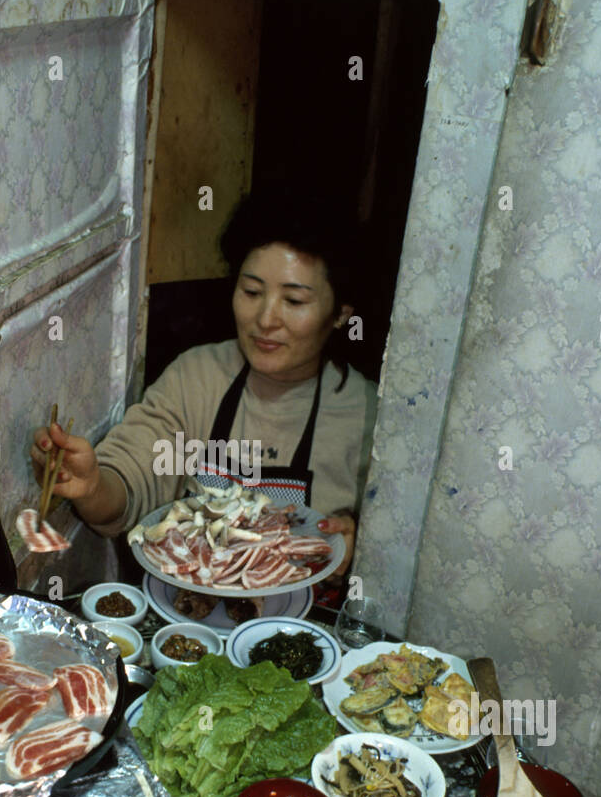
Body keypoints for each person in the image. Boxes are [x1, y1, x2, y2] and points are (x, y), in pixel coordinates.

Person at [32, 187, 378, 572]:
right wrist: (92, 485)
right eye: (251, 291)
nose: (266, 318)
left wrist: (360, 549)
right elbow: (132, 478)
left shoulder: (368, 416)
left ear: (340, 312)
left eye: (294, 301)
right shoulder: (196, 377)